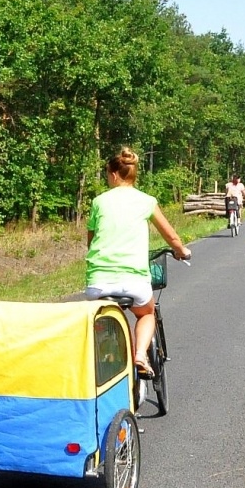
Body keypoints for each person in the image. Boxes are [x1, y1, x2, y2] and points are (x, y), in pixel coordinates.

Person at [84, 147, 191, 375]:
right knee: (146, 313)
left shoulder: (99, 202)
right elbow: (171, 236)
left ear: (113, 175)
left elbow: (91, 241)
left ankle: (108, 356)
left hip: (98, 282)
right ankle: (140, 355)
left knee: (102, 319)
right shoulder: (146, 201)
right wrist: (181, 251)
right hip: (133, 281)